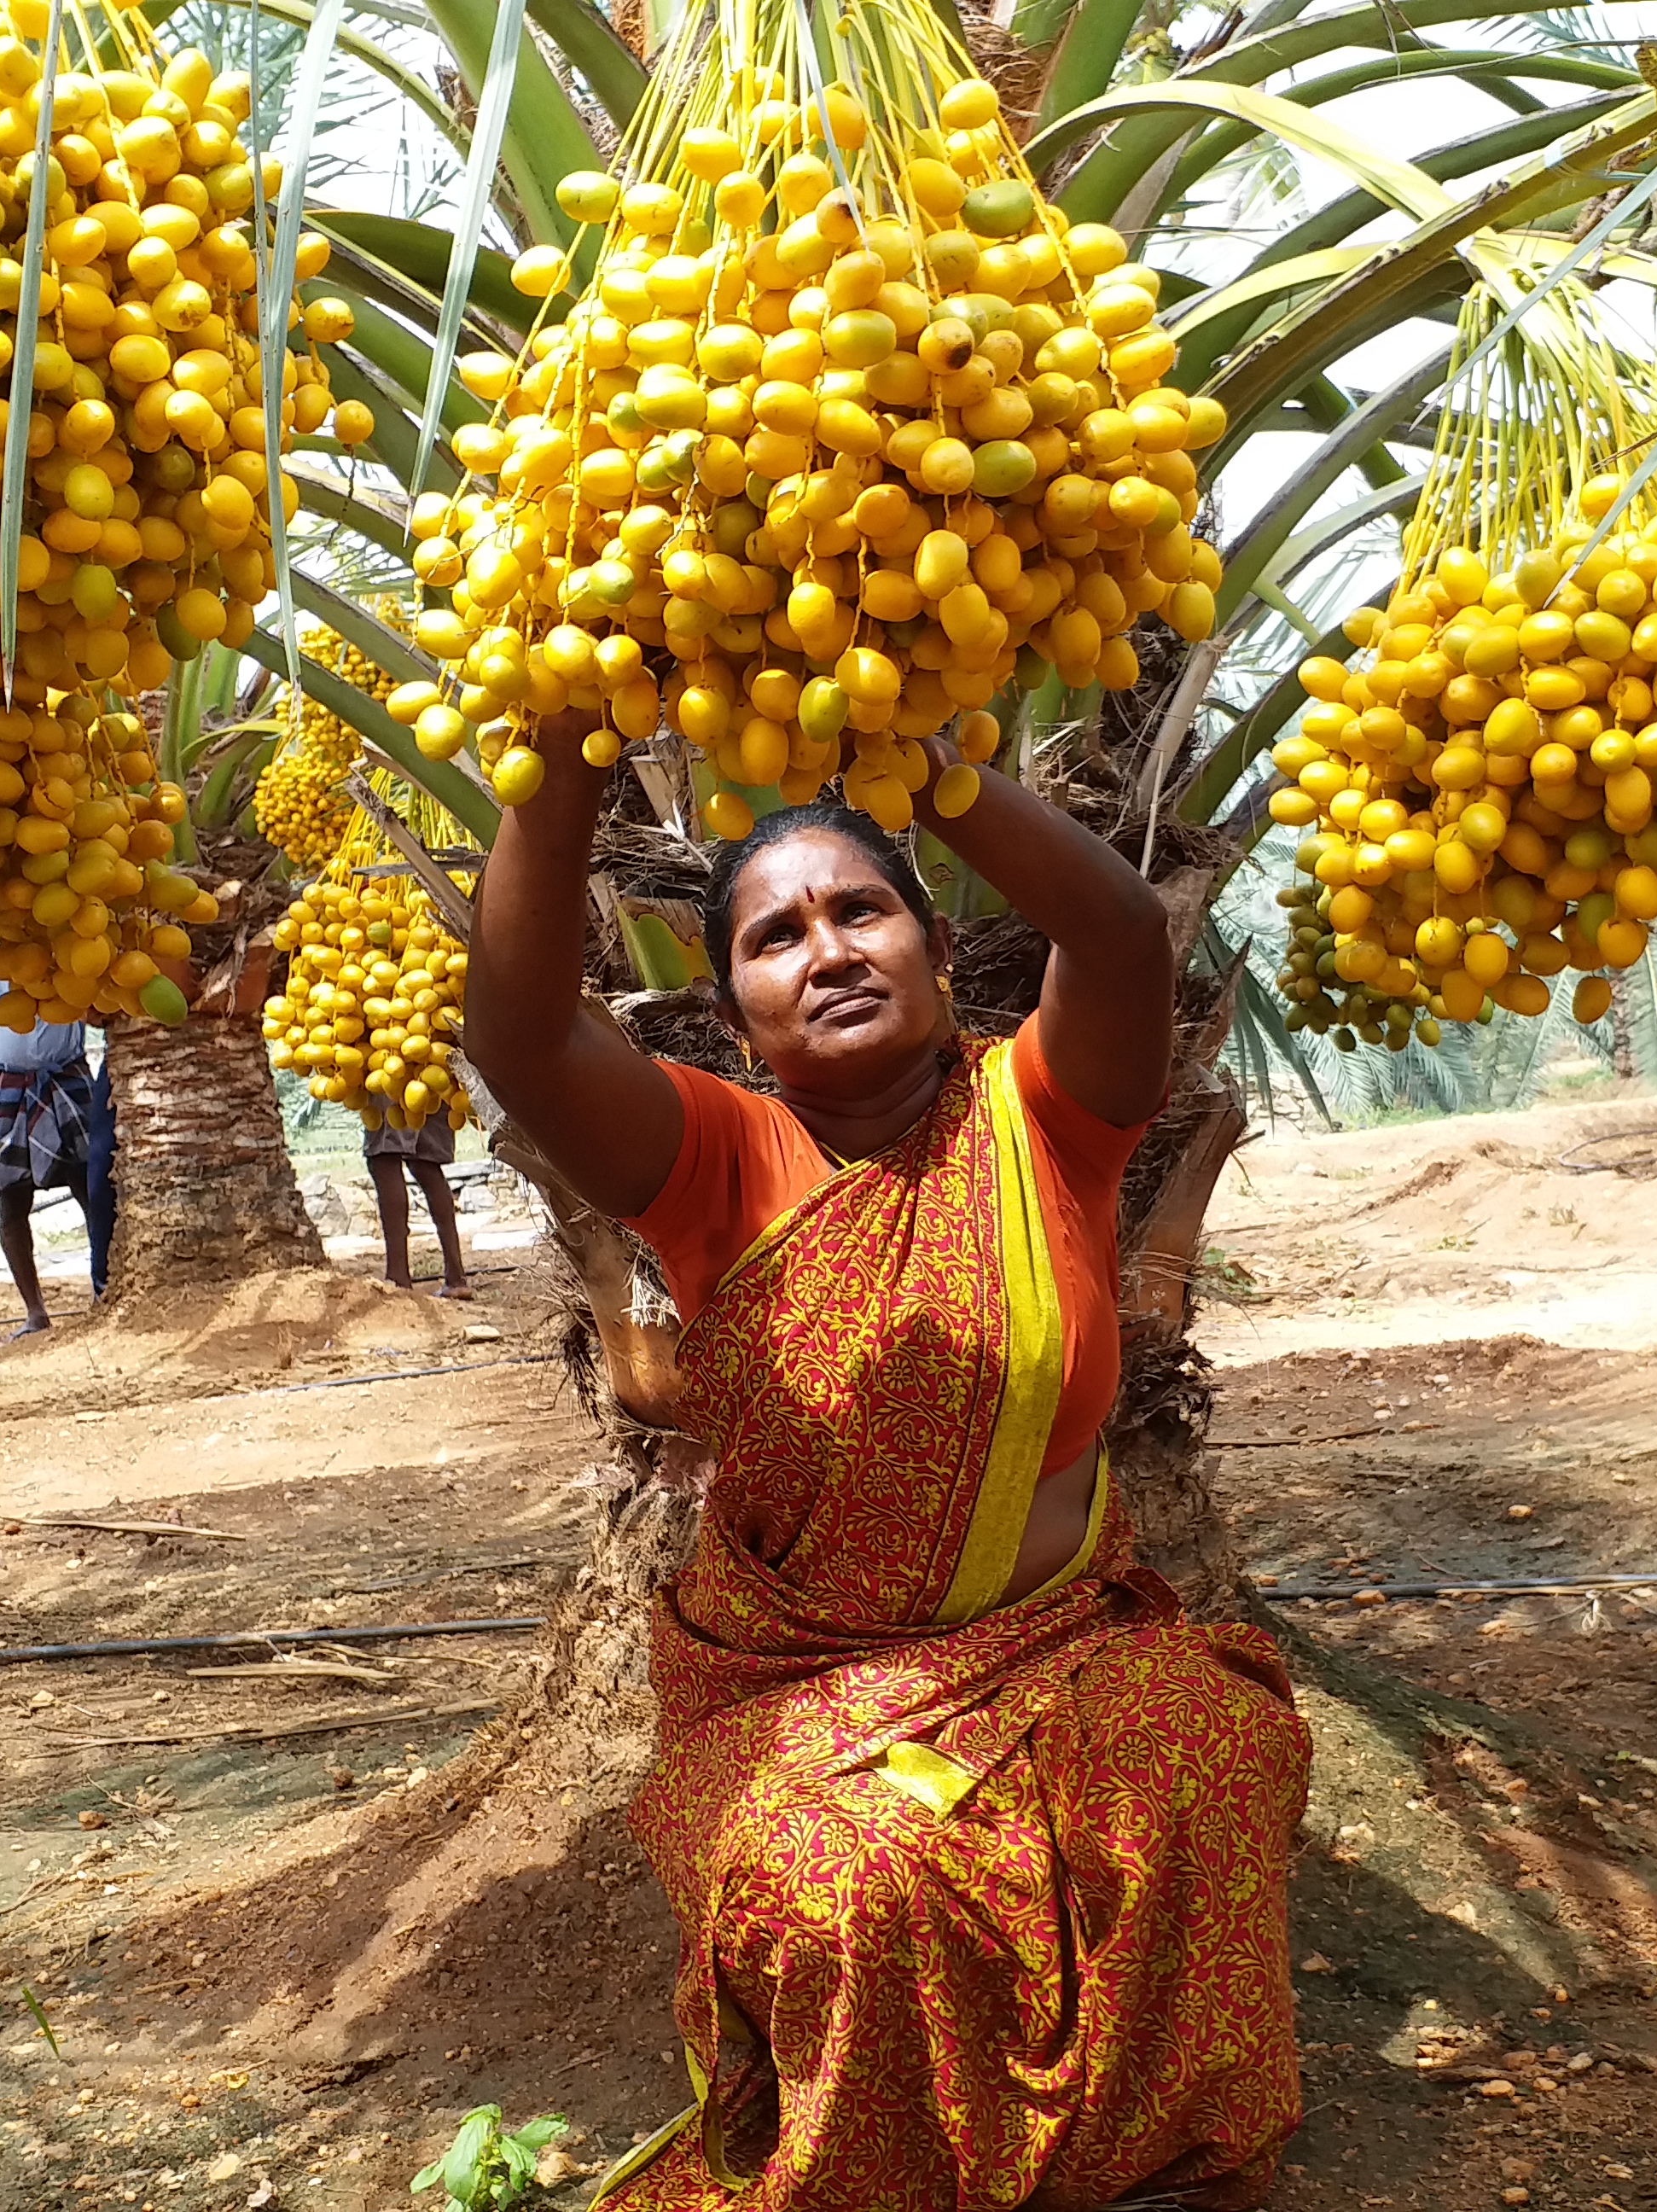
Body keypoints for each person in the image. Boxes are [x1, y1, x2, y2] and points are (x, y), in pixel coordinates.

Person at [468, 711, 1307, 2212]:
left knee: (1210, 1748)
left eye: (861, 910)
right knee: (856, 1880)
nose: (827, 948)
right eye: (775, 935)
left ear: (931, 951)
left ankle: (1152, 2154)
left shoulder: (1045, 1117)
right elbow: (519, 1037)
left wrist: (931, 771)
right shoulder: (715, 1160)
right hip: (798, 1687)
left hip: (1055, 1643)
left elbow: (1115, 934)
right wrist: (563, 752)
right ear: (734, 1018)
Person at [0, 966, 117, 1338]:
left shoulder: (58, 934)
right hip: (3, 1074)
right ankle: (35, 1313)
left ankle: (108, 1291)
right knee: (10, 1197)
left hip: (65, 1070)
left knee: (93, 1185)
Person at [364, 1114, 471, 1297]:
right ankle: (456, 1278)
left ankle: (397, 1280)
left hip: (389, 1088)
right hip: (435, 1087)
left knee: (384, 1156)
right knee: (424, 1161)